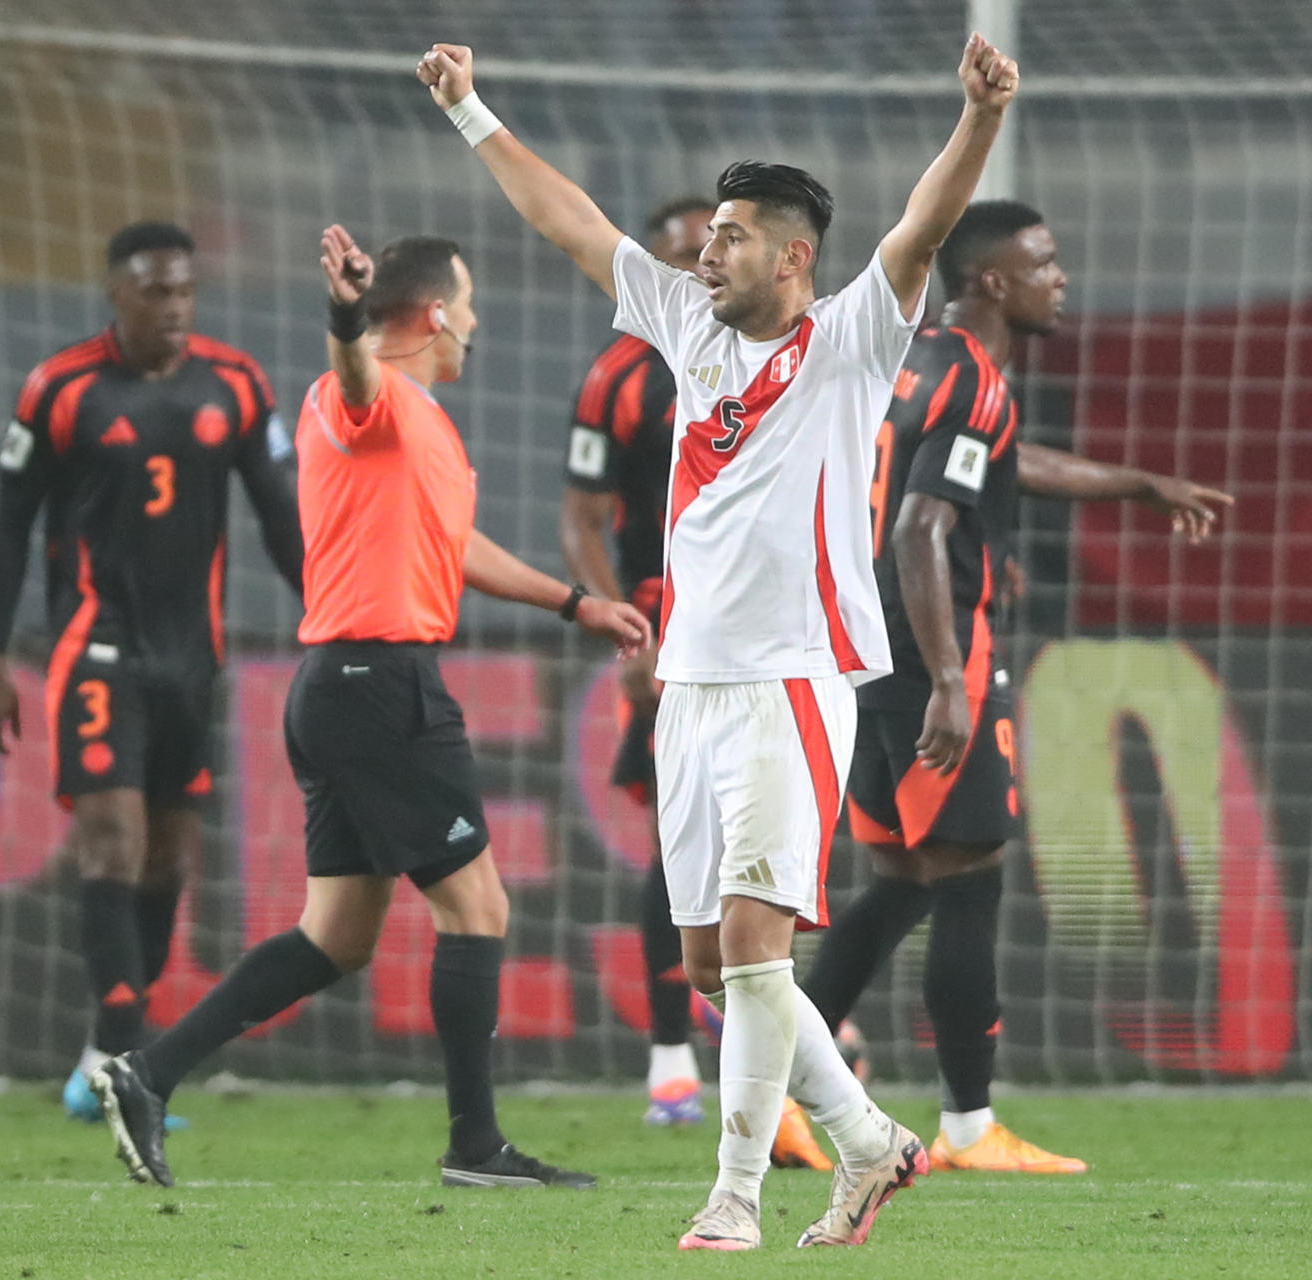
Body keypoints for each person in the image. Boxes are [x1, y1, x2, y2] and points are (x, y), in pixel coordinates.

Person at [420, 32, 1018, 1251]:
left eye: (734, 235)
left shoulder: (853, 337)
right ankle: (870, 1144)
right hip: (690, 681)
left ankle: (735, 1193)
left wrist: (978, 122)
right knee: (710, 962)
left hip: (794, 678)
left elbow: (918, 226)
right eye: (708, 234)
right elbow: (573, 225)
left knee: (755, 943)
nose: (708, 249)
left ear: (795, 257)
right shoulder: (688, 331)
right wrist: (472, 109)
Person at [91, 229, 651, 1190]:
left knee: (336, 937)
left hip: (341, 686)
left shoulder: (419, 423)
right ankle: (475, 1147)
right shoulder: (373, 396)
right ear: (435, 314)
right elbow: (354, 372)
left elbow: (454, 543)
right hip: (379, 685)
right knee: (478, 906)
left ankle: (146, 1072)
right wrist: (346, 313)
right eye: (467, 305)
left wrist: (575, 602)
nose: (475, 324)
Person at [800, 199, 1232, 1174]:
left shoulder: (921, 362)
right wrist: (954, 680)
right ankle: (966, 1127)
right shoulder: (977, 379)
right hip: (932, 660)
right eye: (1043, 263)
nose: (1059, 278)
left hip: (870, 653)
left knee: (902, 884)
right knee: (968, 878)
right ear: (992, 281)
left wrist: (1136, 483)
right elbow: (921, 528)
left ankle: (778, 1087)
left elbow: (991, 463)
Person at [0, 221, 304, 1125]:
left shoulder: (235, 384)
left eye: (186, 292)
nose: (174, 308)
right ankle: (124, 1054)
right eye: (156, 292)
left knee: (171, 859)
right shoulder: (60, 387)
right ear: (116, 292)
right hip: (94, 642)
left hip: (192, 655)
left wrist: (328, 611)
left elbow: (280, 513)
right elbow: (9, 526)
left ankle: (99, 1060)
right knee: (111, 836)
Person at [557, 194, 835, 1170]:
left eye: (716, 246)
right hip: (665, 632)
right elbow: (581, 512)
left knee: (755, 893)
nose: (700, 267)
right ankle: (674, 1052)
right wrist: (621, 627)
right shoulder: (626, 373)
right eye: (689, 251)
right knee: (676, 861)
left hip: (769, 652)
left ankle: (793, 1092)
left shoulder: (807, 359)